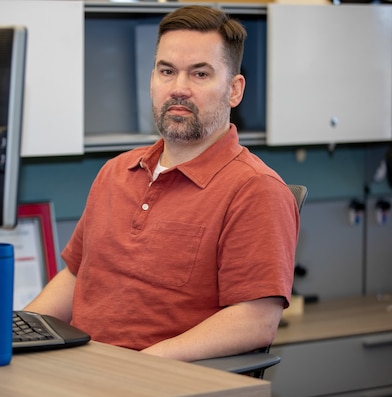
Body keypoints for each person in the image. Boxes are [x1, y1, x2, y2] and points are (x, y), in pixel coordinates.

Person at [25, 5, 299, 363]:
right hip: (81, 370)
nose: (179, 89)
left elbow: (255, 321)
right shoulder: (116, 172)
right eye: (167, 71)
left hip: (161, 382)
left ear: (234, 90)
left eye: (200, 74)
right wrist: (14, 333)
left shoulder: (255, 189)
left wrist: (137, 369)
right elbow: (75, 277)